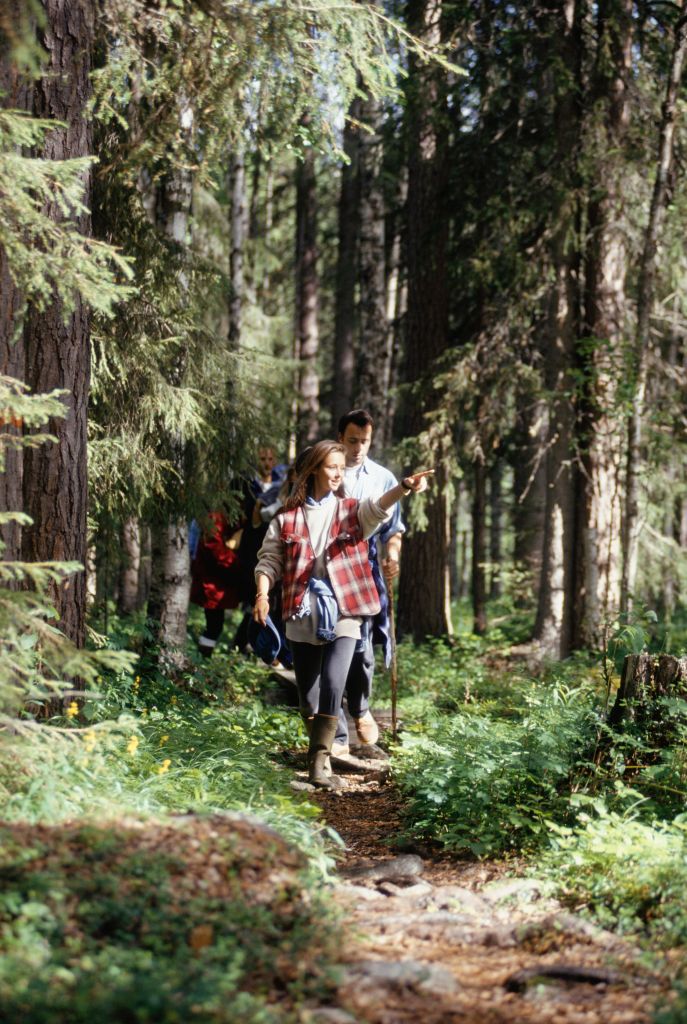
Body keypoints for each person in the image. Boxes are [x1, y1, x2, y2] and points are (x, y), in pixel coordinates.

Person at [253, 439, 432, 789]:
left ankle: (320, 765)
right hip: (301, 611)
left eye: (340, 467)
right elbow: (269, 561)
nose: (338, 473)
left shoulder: (351, 510)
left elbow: (378, 508)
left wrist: (403, 488)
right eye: (331, 466)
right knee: (309, 696)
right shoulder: (286, 519)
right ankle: (319, 746)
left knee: (335, 683)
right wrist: (262, 594)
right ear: (314, 469)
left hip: (346, 609)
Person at [334, 408, 404, 755]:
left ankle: (360, 709)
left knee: (361, 648)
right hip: (326, 572)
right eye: (352, 440)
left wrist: (393, 556)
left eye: (365, 441)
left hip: (364, 571)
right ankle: (334, 735)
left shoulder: (383, 478)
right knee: (330, 646)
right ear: (339, 439)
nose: (359, 447)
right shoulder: (324, 472)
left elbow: (394, 531)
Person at [233, 446, 287, 652]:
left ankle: (257, 644)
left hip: (273, 545)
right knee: (252, 598)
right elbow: (246, 518)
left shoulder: (280, 486)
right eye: (262, 458)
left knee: (270, 598)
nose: (266, 462)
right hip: (251, 548)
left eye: (270, 458)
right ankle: (244, 643)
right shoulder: (247, 485)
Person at [190, 511, 243, 657]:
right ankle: (202, 661)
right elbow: (213, 546)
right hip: (212, 582)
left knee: (215, 626)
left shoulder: (226, 514)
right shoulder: (216, 516)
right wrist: (238, 563)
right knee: (214, 626)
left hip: (218, 581)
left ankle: (203, 662)